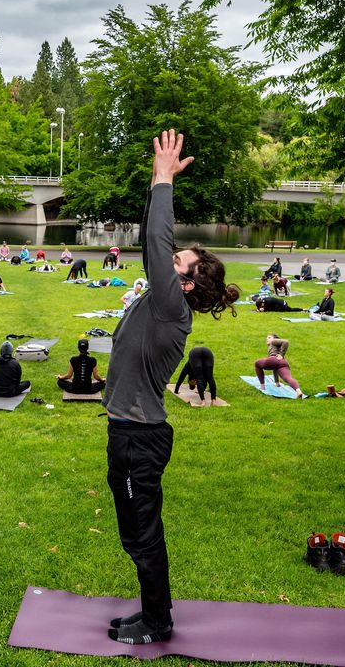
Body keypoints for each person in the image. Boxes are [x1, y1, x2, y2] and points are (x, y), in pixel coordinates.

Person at [103, 130, 240, 646]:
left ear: (183, 282)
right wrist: (154, 185)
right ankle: (153, 612)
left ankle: (158, 621)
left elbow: (157, 245)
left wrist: (164, 179)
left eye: (176, 262)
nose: (166, 261)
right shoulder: (166, 299)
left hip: (140, 440)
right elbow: (151, 242)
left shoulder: (170, 307)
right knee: (132, 535)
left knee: (142, 537)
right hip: (129, 433)